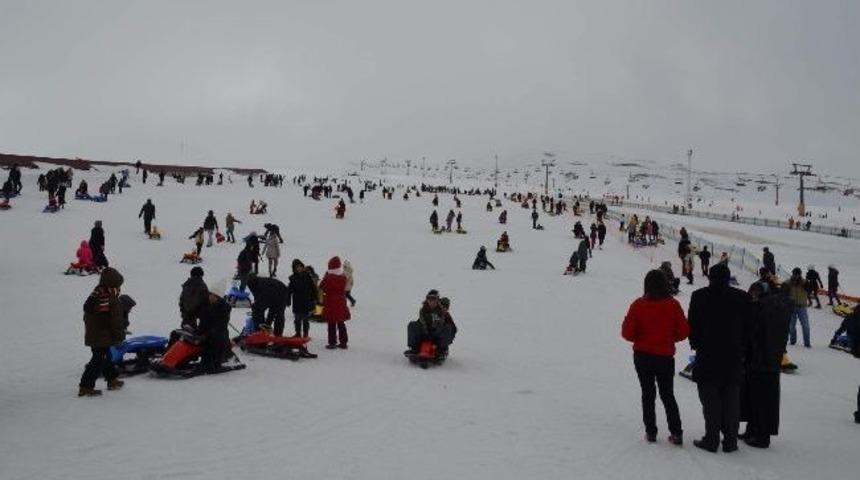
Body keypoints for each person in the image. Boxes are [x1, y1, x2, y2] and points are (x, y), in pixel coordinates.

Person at [688, 264, 751, 453]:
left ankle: (711, 439)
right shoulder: (742, 297)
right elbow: (749, 328)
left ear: (710, 277)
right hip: (733, 356)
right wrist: (742, 349)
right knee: (732, 399)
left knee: (710, 400)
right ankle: (730, 441)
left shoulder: (699, 296)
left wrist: (696, 344)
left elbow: (693, 325)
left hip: (707, 355)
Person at [622, 270, 689, 444]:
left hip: (642, 356)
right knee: (667, 394)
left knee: (648, 393)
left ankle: (651, 432)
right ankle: (676, 432)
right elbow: (683, 331)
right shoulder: (673, 305)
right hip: (665, 356)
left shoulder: (638, 305)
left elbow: (627, 333)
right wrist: (668, 338)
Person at [740, 282, 790, 448]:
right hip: (769, 360)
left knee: (760, 399)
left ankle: (761, 435)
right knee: (757, 398)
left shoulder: (763, 308)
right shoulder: (777, 306)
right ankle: (754, 429)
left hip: (759, 360)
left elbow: (754, 333)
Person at [78, 267, 126, 397]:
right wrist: (120, 336)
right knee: (98, 360)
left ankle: (112, 379)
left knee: (106, 357)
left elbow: (87, 317)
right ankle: (86, 386)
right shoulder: (111, 299)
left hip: (94, 333)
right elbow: (115, 321)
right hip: (102, 335)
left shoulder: (96, 294)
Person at [405, 290, 455, 355]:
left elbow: (453, 329)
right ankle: (414, 348)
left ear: (437, 300)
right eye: (429, 299)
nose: (431, 301)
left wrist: (446, 341)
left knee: (448, 327)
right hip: (425, 335)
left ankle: (441, 350)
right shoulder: (424, 311)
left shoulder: (443, 312)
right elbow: (420, 323)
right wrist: (424, 332)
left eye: (434, 299)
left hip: (437, 338)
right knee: (412, 324)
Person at [196, 292, 233, 373]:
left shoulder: (224, 308)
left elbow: (220, 325)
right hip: (205, 331)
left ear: (218, 297)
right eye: (210, 294)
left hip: (217, 334)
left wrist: (206, 334)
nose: (211, 297)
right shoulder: (205, 305)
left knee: (215, 338)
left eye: (214, 295)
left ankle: (214, 364)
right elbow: (202, 321)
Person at [320, 256, 351, 349]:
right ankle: (343, 342)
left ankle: (332, 342)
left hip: (330, 302)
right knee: (341, 323)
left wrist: (326, 275)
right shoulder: (343, 278)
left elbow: (321, 286)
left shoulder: (328, 278)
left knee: (331, 324)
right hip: (341, 302)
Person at [286, 259, 318, 337]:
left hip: (306, 301)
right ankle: (298, 333)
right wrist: (288, 300)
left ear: (302, 266)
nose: (299, 268)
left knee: (306, 319)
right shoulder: (293, 278)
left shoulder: (307, 276)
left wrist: (314, 298)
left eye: (300, 266)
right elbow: (289, 291)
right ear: (294, 268)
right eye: (297, 267)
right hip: (297, 301)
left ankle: (305, 334)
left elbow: (313, 288)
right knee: (297, 319)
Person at [786, 268, 811, 348]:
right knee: (791, 326)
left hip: (802, 306)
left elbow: (810, 290)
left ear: (800, 274)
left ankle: (807, 343)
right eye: (794, 274)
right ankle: (793, 341)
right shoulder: (788, 282)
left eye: (798, 275)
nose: (796, 276)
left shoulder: (804, 282)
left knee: (805, 325)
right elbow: (783, 291)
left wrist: (807, 284)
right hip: (791, 306)